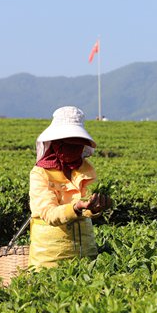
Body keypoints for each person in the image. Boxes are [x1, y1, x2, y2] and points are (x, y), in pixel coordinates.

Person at [28, 106, 112, 268]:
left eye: (77, 144)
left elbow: (87, 208)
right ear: (56, 144)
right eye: (68, 144)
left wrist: (94, 208)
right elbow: (48, 213)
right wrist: (76, 207)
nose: (73, 149)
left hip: (85, 254)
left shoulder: (84, 170)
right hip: (49, 257)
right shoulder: (40, 173)